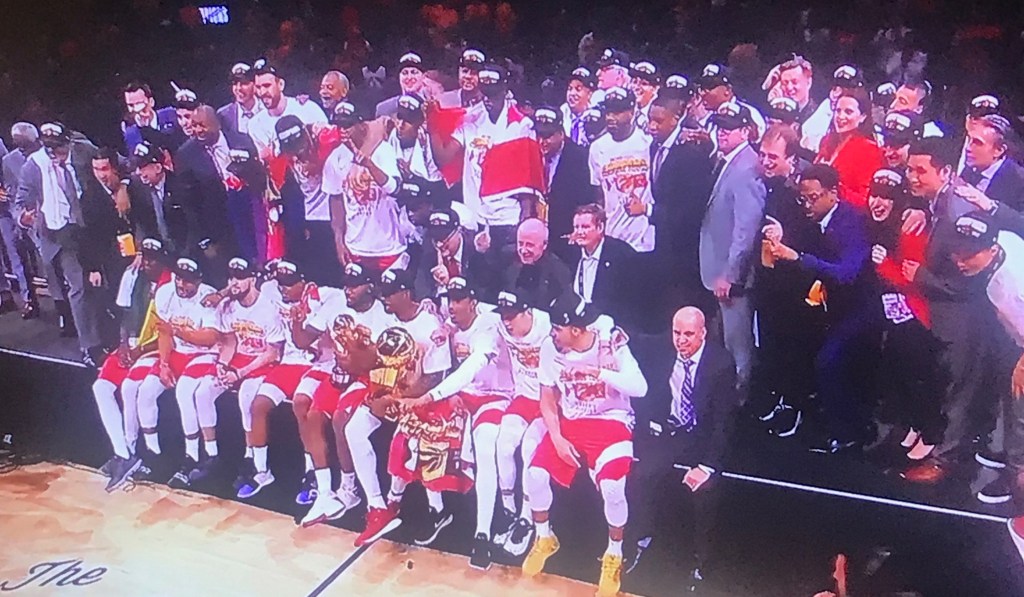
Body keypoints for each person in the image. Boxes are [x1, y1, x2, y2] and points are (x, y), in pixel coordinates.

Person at [521, 294, 648, 597]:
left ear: (575, 329)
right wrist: (556, 437)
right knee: (534, 475)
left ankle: (614, 554)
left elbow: (640, 388)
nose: (551, 333)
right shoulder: (552, 349)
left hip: (612, 420)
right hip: (572, 423)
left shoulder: (612, 342)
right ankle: (544, 537)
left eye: (556, 328)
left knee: (613, 487)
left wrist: (600, 372)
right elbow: (547, 398)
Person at [766, 164, 879, 453]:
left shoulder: (850, 223)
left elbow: (846, 273)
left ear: (833, 193)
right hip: (829, 307)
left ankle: (848, 432)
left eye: (813, 198)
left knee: (828, 363)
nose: (806, 204)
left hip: (860, 309)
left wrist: (797, 257)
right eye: (802, 198)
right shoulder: (813, 219)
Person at [628, 307, 739, 592]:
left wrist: (706, 466)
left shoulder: (721, 363)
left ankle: (702, 562)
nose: (681, 340)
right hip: (672, 432)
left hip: (703, 436)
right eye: (677, 333)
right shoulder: (662, 348)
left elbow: (723, 423)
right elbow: (637, 338)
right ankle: (643, 539)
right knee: (642, 475)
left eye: (688, 334)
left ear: (702, 333)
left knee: (705, 494)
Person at [406, 277, 513, 569]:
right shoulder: (450, 322)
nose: (452, 306)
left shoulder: (489, 327)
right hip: (466, 395)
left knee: (485, 445)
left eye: (458, 300)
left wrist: (432, 395)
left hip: (497, 396)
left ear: (473, 301)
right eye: (449, 300)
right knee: (423, 432)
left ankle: (482, 533)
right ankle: (437, 510)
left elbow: (470, 367)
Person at [900, 138, 987, 483]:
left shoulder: (958, 214)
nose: (912, 177)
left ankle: (945, 461)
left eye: (921, 171)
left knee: (958, 387)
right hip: (945, 312)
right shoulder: (940, 203)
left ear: (946, 171)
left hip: (963, 316)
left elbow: (969, 281)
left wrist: (920, 276)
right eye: (909, 169)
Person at [292, 262, 397, 532]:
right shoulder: (335, 303)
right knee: (312, 415)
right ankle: (325, 493)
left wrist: (352, 355)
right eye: (347, 284)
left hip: (368, 378)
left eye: (355, 285)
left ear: (370, 287)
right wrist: (296, 320)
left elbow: (376, 364)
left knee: (341, 419)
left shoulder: (384, 316)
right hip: (340, 373)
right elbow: (303, 341)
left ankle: (348, 489)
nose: (349, 290)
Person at [237, 261, 346, 499]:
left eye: (289, 284)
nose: (284, 289)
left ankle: (311, 473)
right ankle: (261, 471)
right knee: (258, 405)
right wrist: (221, 294)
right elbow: (246, 283)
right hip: (287, 362)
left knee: (302, 407)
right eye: (281, 284)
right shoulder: (270, 290)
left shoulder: (327, 297)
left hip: (314, 364)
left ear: (303, 282)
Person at [865, 169, 944, 464]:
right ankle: (914, 424)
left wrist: (884, 264)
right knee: (900, 371)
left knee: (918, 376)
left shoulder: (910, 228)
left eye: (886, 197)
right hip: (893, 314)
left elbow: (912, 278)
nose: (878, 202)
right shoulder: (877, 225)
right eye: (875, 194)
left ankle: (931, 432)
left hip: (915, 315)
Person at [947, 212, 1024, 505]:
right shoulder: (1006, 241)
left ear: (991, 251)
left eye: (968, 255)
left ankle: (1017, 480)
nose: (960, 261)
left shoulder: (1010, 288)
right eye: (957, 252)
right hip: (1013, 332)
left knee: (1021, 408)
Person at [752, 125, 823, 436]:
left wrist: (787, 237)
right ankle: (780, 397)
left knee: (794, 348)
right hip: (768, 281)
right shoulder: (765, 186)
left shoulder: (800, 193)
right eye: (763, 155)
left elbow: (817, 237)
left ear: (791, 158)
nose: (766, 162)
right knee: (772, 345)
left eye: (773, 157)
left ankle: (794, 405)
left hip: (797, 286)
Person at [14, 122, 105, 365]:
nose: (56, 154)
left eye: (60, 148)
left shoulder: (84, 150)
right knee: (79, 287)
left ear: (68, 142)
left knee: (100, 281)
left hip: (90, 226)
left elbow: (110, 166)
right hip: (59, 233)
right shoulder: (33, 166)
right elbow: (21, 200)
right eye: (51, 149)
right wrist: (24, 217)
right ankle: (90, 345)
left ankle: (109, 333)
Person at [189, 257, 285, 487]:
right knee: (203, 391)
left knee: (246, 397)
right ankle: (211, 455)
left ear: (252, 279)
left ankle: (250, 456)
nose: (235, 283)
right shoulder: (228, 306)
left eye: (241, 278)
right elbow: (230, 342)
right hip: (239, 358)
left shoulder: (268, 307)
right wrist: (223, 365)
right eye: (232, 278)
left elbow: (273, 352)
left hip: (262, 362)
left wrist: (239, 373)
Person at [377, 268, 455, 546]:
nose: (385, 298)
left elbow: (438, 376)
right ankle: (391, 504)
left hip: (434, 400)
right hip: (402, 397)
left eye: (390, 293)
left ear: (406, 293)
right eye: (383, 293)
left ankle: (439, 511)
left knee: (419, 447)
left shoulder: (430, 326)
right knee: (400, 447)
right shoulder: (389, 324)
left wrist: (404, 398)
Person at [91, 238, 171, 492]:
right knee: (100, 388)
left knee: (131, 387)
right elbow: (124, 315)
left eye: (153, 259)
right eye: (145, 257)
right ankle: (123, 453)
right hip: (133, 344)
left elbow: (172, 332)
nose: (147, 263)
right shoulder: (132, 275)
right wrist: (124, 344)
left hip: (157, 348)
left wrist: (139, 350)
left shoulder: (171, 284)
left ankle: (134, 449)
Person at [430, 62, 544, 235]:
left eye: (494, 96)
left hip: (508, 217)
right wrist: (433, 127)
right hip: (475, 217)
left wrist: (526, 218)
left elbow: (528, 180)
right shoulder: (469, 120)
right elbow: (444, 158)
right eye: (486, 96)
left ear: (505, 91)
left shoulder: (521, 125)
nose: (489, 101)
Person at [699, 101, 766, 389]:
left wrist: (731, 274)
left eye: (729, 128)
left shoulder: (747, 167)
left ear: (745, 131)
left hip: (733, 276)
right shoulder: (729, 161)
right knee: (728, 338)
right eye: (720, 128)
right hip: (719, 268)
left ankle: (740, 400)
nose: (722, 133)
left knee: (737, 342)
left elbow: (746, 229)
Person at [138, 257, 220, 489]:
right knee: (145, 391)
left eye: (188, 282)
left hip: (203, 354)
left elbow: (210, 338)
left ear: (199, 281)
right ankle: (153, 453)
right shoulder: (165, 293)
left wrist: (178, 332)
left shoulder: (208, 296)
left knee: (184, 391)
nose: (182, 286)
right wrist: (163, 364)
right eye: (179, 280)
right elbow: (164, 333)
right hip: (176, 352)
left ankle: (192, 455)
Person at [492, 289, 552, 557]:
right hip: (522, 397)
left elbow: (602, 323)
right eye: (504, 316)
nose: (507, 322)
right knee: (503, 444)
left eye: (512, 316)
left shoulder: (548, 324)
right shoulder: (501, 325)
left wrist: (612, 345)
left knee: (529, 449)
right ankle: (508, 511)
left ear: (528, 312)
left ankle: (527, 516)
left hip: (549, 400)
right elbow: (478, 312)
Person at [644, 92, 715, 319]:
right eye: (650, 120)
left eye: (658, 121)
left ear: (676, 119)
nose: (652, 126)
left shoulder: (691, 152)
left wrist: (648, 211)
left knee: (684, 306)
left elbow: (691, 210)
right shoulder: (654, 147)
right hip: (664, 243)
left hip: (686, 250)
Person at [322, 101, 407, 276]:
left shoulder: (383, 151)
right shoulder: (335, 158)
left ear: (361, 125)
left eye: (348, 125)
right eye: (339, 126)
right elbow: (336, 201)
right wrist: (339, 240)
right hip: (355, 248)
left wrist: (368, 164)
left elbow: (395, 189)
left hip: (389, 246)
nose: (343, 131)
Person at [176, 105, 266, 267]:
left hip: (252, 220)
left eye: (202, 125)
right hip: (220, 232)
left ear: (217, 124)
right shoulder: (186, 154)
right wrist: (205, 240)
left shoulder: (242, 140)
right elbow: (189, 204)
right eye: (194, 125)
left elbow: (259, 179)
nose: (198, 130)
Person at [588, 87, 656, 254]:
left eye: (617, 112)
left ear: (632, 112)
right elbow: (599, 195)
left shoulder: (648, 143)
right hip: (613, 236)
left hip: (645, 238)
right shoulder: (597, 148)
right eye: (608, 112)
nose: (610, 118)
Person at [533, 106, 596, 263]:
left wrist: (578, 231)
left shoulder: (579, 157)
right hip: (540, 238)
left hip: (568, 239)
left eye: (548, 136)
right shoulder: (532, 154)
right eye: (539, 135)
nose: (542, 142)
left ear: (561, 133)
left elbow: (586, 200)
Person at [567, 204, 638, 330]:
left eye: (585, 227)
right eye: (576, 227)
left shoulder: (621, 255)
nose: (579, 232)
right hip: (576, 327)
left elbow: (628, 303)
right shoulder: (570, 255)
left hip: (611, 326)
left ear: (600, 227)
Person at [815, 87, 883, 210]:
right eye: (838, 110)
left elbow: (866, 201)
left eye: (848, 112)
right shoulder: (826, 141)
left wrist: (835, 188)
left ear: (863, 117)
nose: (840, 116)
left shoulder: (869, 150)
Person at [246, 58, 329, 160]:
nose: (262, 92)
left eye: (267, 86)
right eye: (258, 87)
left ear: (280, 84)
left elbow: (331, 146)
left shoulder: (308, 108)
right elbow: (267, 162)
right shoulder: (255, 125)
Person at [1, 123, 41, 317]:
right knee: (17, 256)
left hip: (34, 211)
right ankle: (28, 300)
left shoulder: (41, 155)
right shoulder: (11, 160)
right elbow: (8, 182)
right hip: (11, 212)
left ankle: (64, 301)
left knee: (46, 255)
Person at [130, 142, 196, 260]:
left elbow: (193, 224)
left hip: (186, 250)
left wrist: (187, 253)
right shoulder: (138, 188)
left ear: (158, 168)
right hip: (160, 252)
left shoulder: (181, 187)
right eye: (137, 168)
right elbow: (142, 222)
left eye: (142, 168)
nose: (139, 173)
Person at [415, 207, 487, 299]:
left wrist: (449, 284)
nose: (439, 244)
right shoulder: (430, 248)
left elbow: (483, 287)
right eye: (436, 239)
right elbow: (421, 283)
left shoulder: (475, 248)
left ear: (459, 231)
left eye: (444, 238)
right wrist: (427, 299)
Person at [960, 114, 1024, 212]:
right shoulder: (968, 171)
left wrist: (991, 206)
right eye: (969, 140)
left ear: (998, 150)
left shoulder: (1019, 181)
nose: (968, 148)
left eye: (977, 143)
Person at [504, 218, 571, 309]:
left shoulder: (559, 272)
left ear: (544, 245)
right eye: (520, 243)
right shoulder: (507, 259)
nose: (523, 250)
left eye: (529, 245)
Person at [696, 63, 767, 142]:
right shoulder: (703, 114)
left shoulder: (750, 114)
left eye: (709, 87)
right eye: (702, 88)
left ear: (728, 90)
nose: (702, 93)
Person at [121, 81, 178, 152]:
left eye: (139, 103)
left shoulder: (171, 114)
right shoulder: (130, 134)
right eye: (131, 105)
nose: (136, 109)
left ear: (151, 102)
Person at [217, 62, 265, 138]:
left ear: (255, 85)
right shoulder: (223, 115)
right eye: (235, 83)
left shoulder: (268, 110)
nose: (238, 88)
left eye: (244, 83)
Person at [376, 53, 427, 117]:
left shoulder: (432, 105)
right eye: (404, 73)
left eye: (414, 72)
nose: (409, 77)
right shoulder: (386, 109)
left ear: (423, 76)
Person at [560, 67, 597, 146]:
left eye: (578, 89)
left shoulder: (595, 116)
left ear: (590, 94)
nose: (572, 93)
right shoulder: (562, 112)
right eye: (570, 88)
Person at [629, 61, 660, 131]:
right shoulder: (623, 109)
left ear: (655, 89)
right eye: (634, 82)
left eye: (644, 84)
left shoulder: (658, 116)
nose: (637, 87)